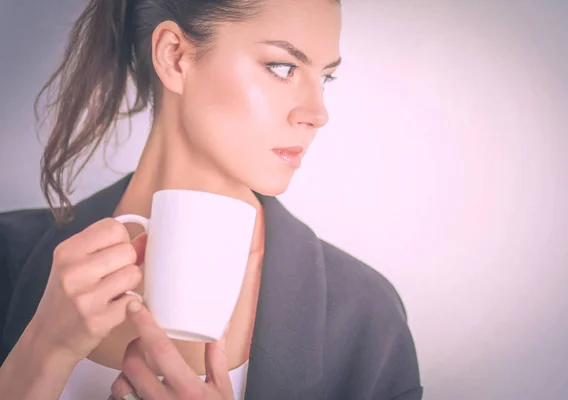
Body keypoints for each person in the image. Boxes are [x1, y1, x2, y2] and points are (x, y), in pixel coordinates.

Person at [0, 0, 423, 399]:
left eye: (325, 77)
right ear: (174, 56)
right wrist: (41, 351)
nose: (317, 112)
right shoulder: (8, 257)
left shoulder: (367, 321)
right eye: (282, 67)